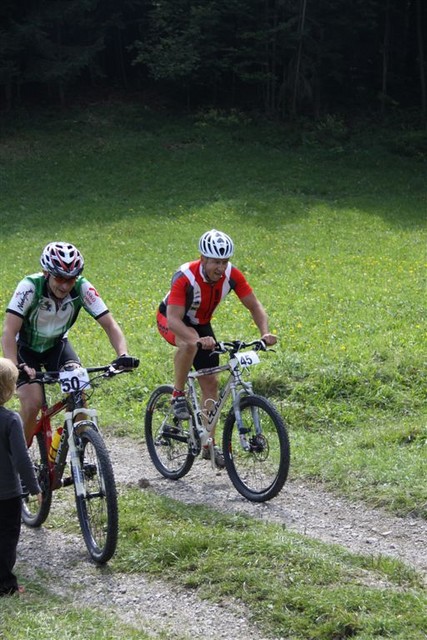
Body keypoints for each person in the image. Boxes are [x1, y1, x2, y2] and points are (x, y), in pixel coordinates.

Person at [156, 229, 277, 467]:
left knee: (211, 382)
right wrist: (197, 339)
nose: (220, 267)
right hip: (172, 319)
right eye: (215, 262)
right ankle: (177, 394)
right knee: (189, 343)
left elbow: (254, 306)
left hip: (201, 324)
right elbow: (173, 320)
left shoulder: (232, 275)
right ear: (203, 258)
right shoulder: (185, 276)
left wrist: (264, 333)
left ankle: (207, 444)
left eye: (224, 261)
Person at [1, 241, 138, 444]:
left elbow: (110, 325)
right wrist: (15, 366)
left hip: (57, 346)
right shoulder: (29, 287)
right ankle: (16, 455)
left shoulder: (82, 287)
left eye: (71, 279)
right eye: (59, 278)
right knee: (33, 404)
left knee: (78, 394)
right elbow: (9, 331)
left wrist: (122, 355)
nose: (65, 286)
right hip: (25, 349)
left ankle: (80, 448)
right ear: (46, 273)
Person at [0, 357, 42, 596]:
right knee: (6, 539)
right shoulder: (10, 420)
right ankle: (6, 585)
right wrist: (34, 487)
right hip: (7, 494)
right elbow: (21, 459)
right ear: (9, 391)